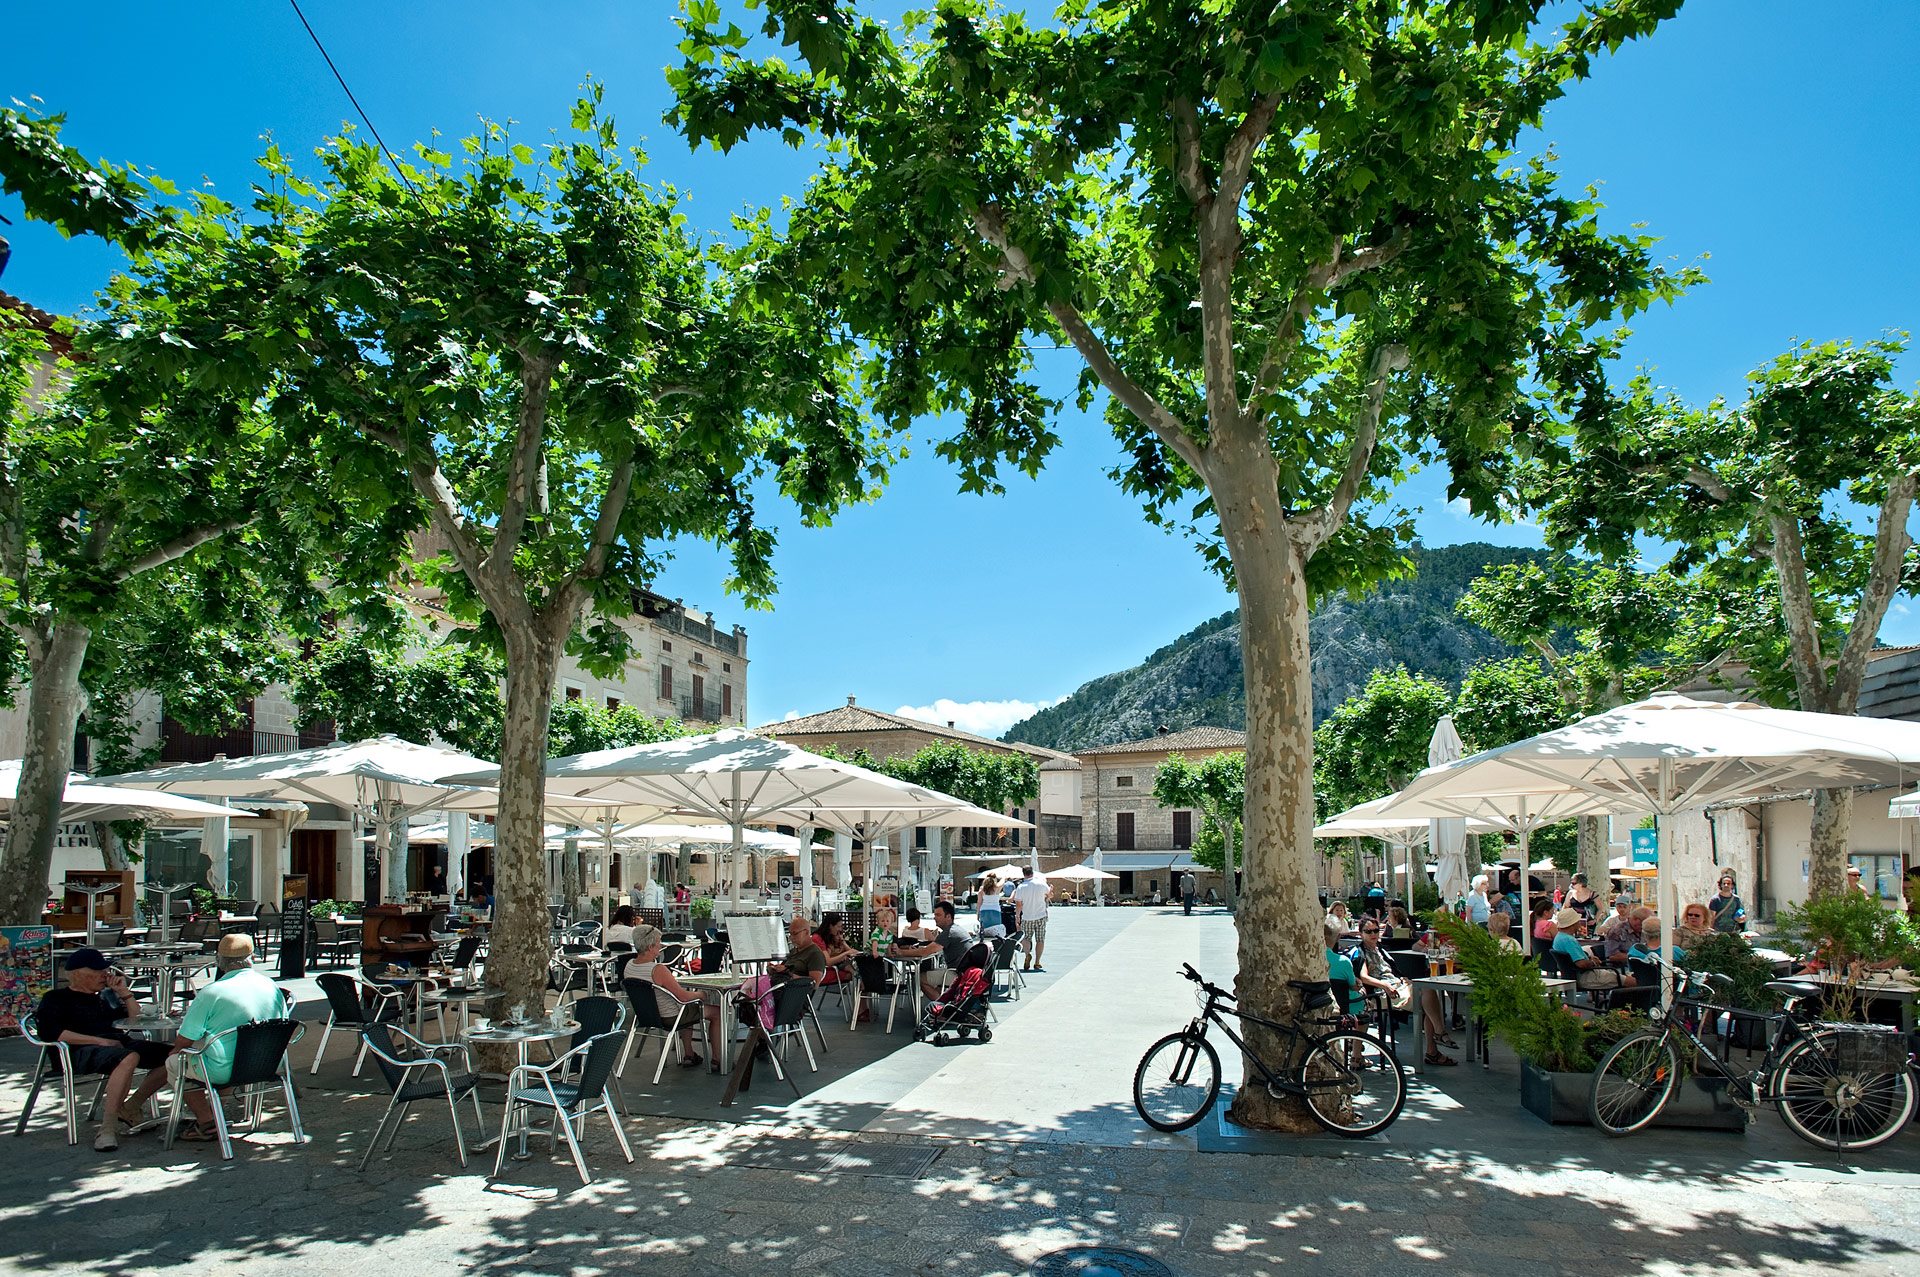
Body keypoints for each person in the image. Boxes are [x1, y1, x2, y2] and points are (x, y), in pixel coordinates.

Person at [33, 947, 174, 1152]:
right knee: (129, 1057)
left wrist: (125, 994)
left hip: (116, 1044)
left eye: (105, 970)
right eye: (99, 971)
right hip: (76, 1051)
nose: (105, 975)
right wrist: (99, 1042)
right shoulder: (56, 998)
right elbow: (52, 1033)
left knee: (174, 1055)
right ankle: (107, 1128)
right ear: (78, 975)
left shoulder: (106, 995)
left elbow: (133, 1021)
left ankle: (131, 1106)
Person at [168, 934, 286, 1144]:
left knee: (174, 1062)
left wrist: (175, 1052)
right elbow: (283, 1023)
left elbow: (185, 1039)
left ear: (219, 961)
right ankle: (215, 1113)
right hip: (266, 1064)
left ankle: (206, 1120)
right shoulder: (270, 986)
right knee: (217, 1049)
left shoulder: (212, 992)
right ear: (252, 957)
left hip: (224, 1070)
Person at [1351, 919, 1454, 1066]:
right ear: (1361, 934)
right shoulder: (1361, 951)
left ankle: (1436, 1040)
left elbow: (1392, 971)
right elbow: (1364, 977)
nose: (1373, 934)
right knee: (1428, 999)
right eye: (1368, 931)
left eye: (1375, 930)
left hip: (1397, 986)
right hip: (1381, 992)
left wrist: (1402, 979)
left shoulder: (1380, 949)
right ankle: (1436, 1042)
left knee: (1429, 990)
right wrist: (1385, 985)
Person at [625, 923, 715, 1070]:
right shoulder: (658, 969)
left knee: (688, 1009)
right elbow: (684, 996)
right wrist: (701, 994)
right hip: (669, 1016)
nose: (660, 947)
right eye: (658, 943)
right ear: (650, 946)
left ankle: (689, 1054)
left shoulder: (629, 965)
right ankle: (718, 1060)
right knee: (714, 1012)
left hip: (647, 1015)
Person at [891, 900, 974, 999]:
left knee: (919, 978)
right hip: (967, 973)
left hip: (958, 974)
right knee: (933, 979)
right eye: (935, 915)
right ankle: (947, 1003)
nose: (934, 917)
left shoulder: (949, 932)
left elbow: (925, 952)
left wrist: (901, 952)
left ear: (948, 917)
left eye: (938, 915)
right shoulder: (956, 929)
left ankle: (941, 1008)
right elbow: (931, 949)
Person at [1551, 907, 1634, 990]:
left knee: (1621, 976)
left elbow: (1576, 959)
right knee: (1631, 981)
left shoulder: (1559, 937)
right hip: (1584, 976)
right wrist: (1593, 962)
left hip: (1575, 975)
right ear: (1573, 924)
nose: (1579, 924)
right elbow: (1581, 964)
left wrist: (1589, 958)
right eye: (1578, 921)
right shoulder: (1569, 940)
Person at [1009, 867, 1051, 972]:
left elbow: (1018, 904)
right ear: (1032, 873)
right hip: (1041, 915)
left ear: (1023, 874)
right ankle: (1037, 962)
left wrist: (1017, 916)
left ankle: (1027, 954)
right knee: (1040, 939)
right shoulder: (1041, 884)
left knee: (1026, 938)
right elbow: (1049, 895)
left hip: (1027, 916)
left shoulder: (1021, 887)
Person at [1324, 921, 1364, 1015]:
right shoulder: (1343, 962)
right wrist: (1360, 984)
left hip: (1317, 1002)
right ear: (1338, 937)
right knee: (1366, 1008)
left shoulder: (1311, 958)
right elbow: (1354, 987)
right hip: (1343, 1005)